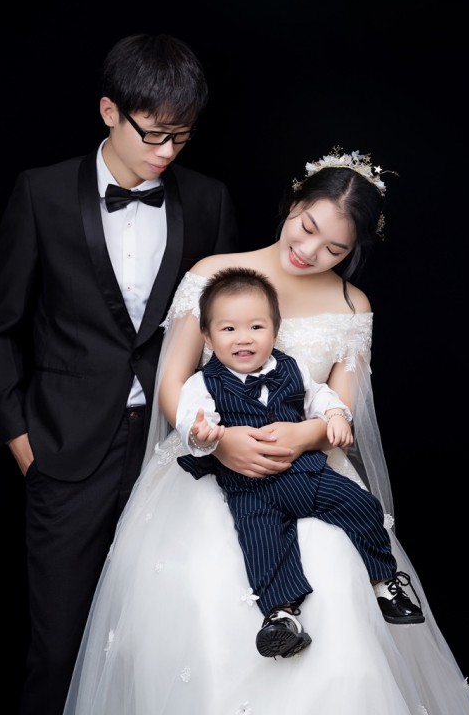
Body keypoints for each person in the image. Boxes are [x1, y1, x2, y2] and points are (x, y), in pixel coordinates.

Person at [62, 148, 469, 714]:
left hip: (308, 465)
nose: (309, 252)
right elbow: (173, 382)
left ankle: (374, 594)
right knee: (205, 597)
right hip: (211, 465)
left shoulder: (351, 304)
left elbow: (341, 405)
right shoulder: (211, 274)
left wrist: (305, 436)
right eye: (306, 228)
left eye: (334, 249)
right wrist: (219, 441)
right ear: (293, 203)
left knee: (338, 577)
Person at [0, 33, 238, 715]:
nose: (168, 151)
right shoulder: (41, 193)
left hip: (172, 453)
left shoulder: (208, 200)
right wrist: (21, 442)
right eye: (154, 134)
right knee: (59, 651)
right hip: (65, 450)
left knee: (164, 647)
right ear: (108, 111)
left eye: (183, 136)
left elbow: (227, 332)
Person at [175, 266, 424, 660]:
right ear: (207, 336)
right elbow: (190, 416)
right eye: (229, 329)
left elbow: (321, 397)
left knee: (362, 505)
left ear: (275, 331)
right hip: (249, 485)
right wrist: (203, 434)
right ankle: (281, 617)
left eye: (256, 327)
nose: (244, 338)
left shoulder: (292, 368)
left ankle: (382, 581)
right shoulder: (203, 382)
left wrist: (336, 416)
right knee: (262, 545)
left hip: (306, 473)